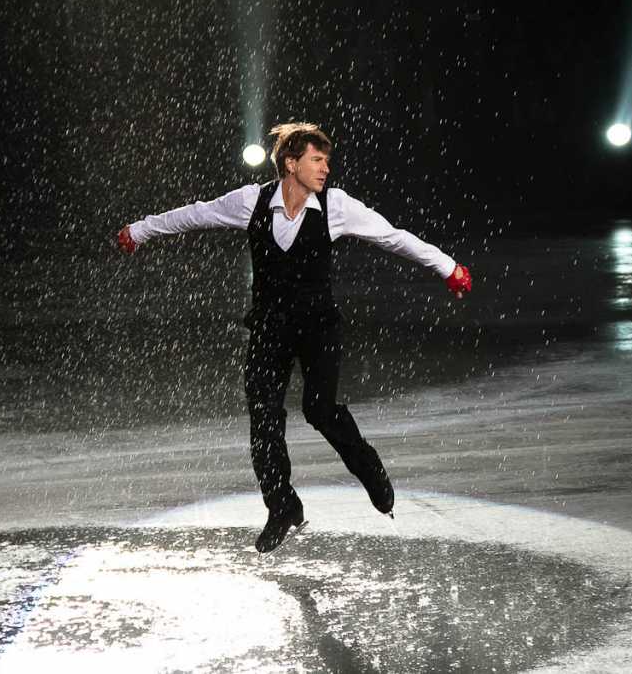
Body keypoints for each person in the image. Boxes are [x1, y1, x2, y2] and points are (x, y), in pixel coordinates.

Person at [117, 122, 472, 552]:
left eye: (326, 161)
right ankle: (282, 506)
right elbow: (196, 214)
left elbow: (392, 237)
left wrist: (447, 267)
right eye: (316, 160)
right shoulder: (251, 202)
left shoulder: (336, 206)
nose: (325, 169)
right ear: (290, 163)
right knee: (264, 416)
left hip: (318, 328)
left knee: (319, 409)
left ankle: (368, 468)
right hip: (269, 328)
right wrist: (141, 230)